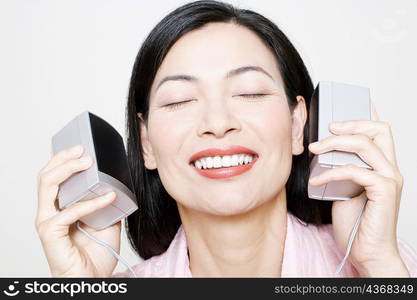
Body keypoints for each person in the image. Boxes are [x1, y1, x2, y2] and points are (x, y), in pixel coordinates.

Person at [35, 0, 417, 277]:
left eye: (249, 92)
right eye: (180, 100)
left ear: (298, 125)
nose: (217, 123)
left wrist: (376, 265)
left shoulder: (386, 268)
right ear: (147, 143)